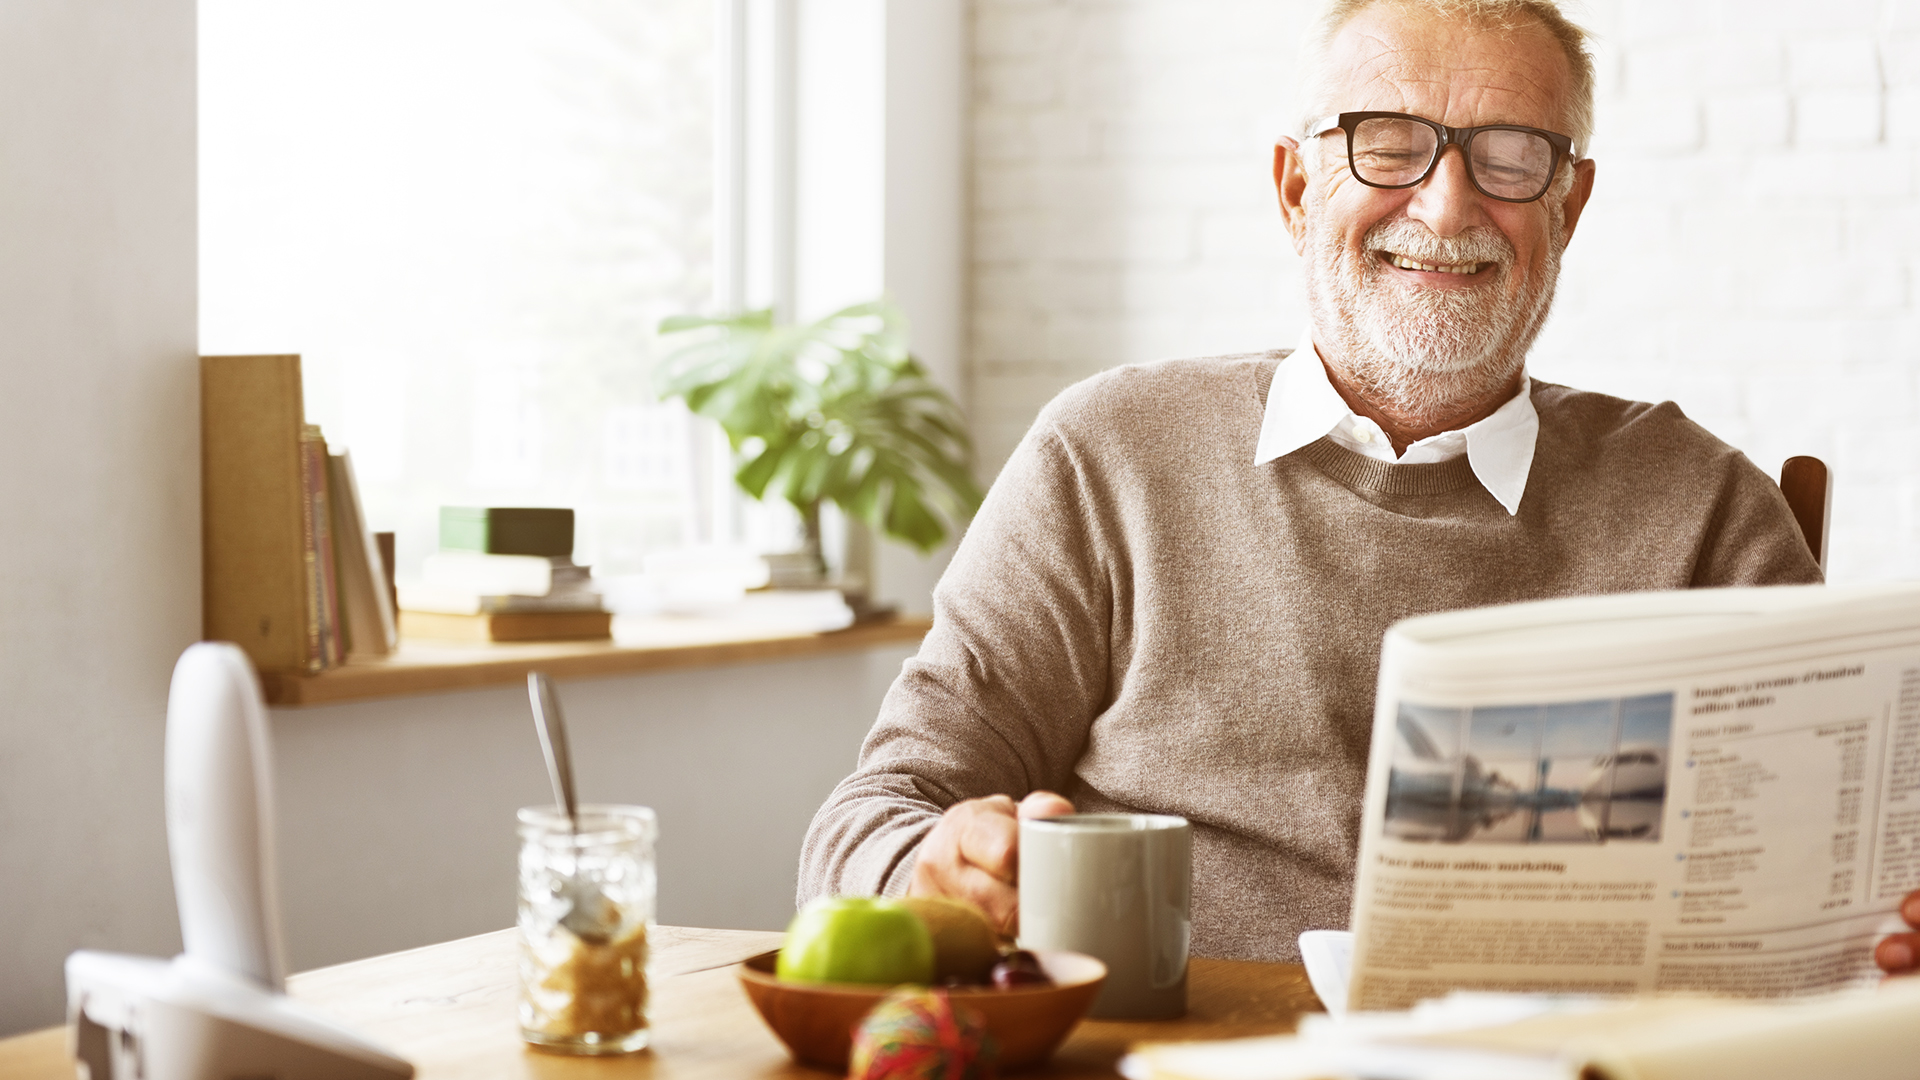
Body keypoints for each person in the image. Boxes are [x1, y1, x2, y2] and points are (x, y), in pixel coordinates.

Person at [798, 0, 1848, 964]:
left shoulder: (1704, 508)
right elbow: (875, 817)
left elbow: (1840, 866)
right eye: (1387, 146)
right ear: (1297, 188)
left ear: (1568, 207)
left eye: (1512, 159)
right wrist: (930, 865)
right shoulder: (1107, 455)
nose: (1444, 208)